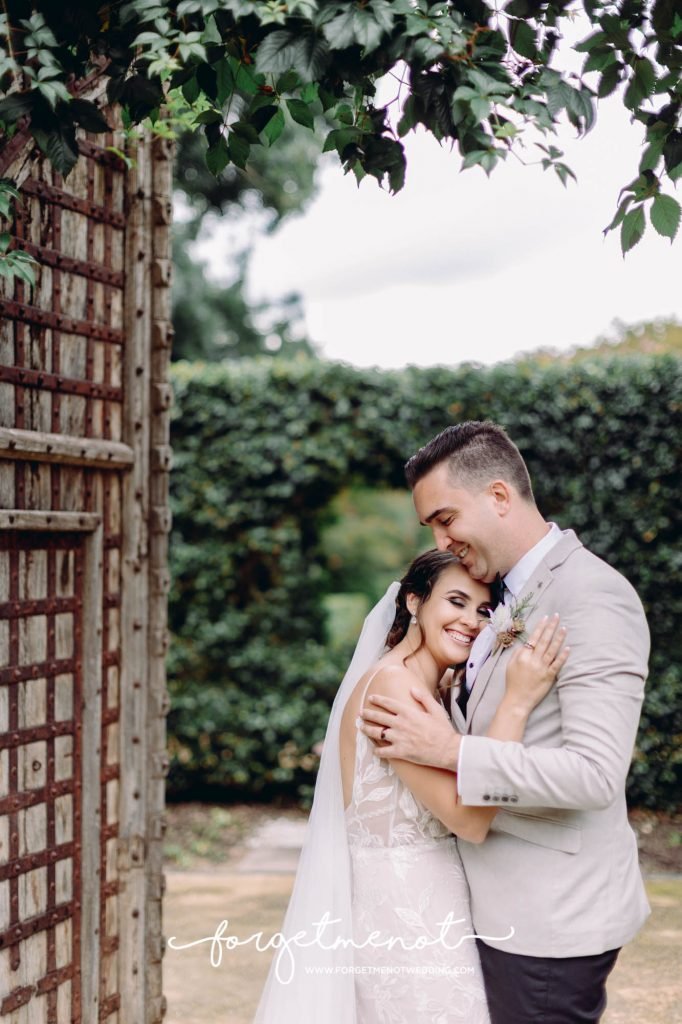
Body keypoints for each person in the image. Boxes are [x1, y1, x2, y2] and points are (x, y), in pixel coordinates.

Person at [359, 420, 651, 1024]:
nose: (441, 540)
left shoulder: (591, 595)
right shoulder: (502, 595)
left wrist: (449, 750)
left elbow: (595, 775)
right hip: (488, 909)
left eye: (446, 519)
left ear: (497, 495)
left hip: (549, 920)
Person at [254, 548, 568, 1023]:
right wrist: (518, 702)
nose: (471, 621)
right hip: (404, 913)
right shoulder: (392, 688)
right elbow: (470, 821)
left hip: (429, 906)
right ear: (414, 602)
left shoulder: (432, 689)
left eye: (484, 610)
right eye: (456, 602)